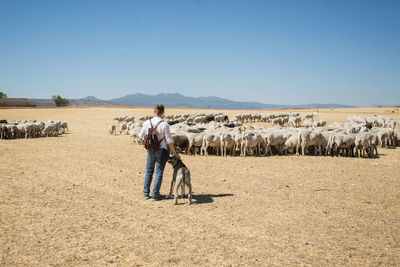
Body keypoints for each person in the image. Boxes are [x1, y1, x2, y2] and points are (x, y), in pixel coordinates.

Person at [138, 104, 180, 201]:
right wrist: (174, 152)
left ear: (154, 112)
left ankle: (145, 193)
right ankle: (155, 194)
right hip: (161, 150)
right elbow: (169, 141)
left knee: (149, 171)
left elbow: (140, 136)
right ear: (163, 112)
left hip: (150, 150)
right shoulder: (164, 124)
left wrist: (148, 142)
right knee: (159, 172)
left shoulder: (147, 122)